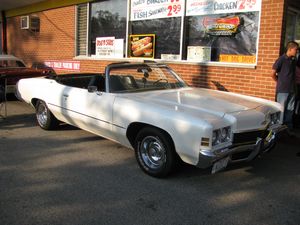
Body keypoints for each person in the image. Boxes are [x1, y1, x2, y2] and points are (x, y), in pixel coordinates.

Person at [271, 41, 299, 131]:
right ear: (290, 49)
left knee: (290, 110)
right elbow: (272, 74)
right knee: (281, 110)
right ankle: (277, 129)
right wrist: (279, 82)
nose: (297, 51)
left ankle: (287, 129)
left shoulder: (293, 60)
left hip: (292, 89)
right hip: (283, 90)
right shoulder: (281, 59)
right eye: (296, 50)